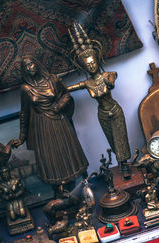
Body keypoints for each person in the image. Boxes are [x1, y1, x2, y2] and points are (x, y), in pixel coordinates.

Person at [12, 55, 88, 193]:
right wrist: (21, 137)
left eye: (31, 64)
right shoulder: (25, 89)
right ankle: (59, 193)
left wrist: (58, 106)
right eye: (26, 67)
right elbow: (24, 113)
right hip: (42, 127)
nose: (30, 68)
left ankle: (79, 188)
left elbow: (66, 95)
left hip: (59, 122)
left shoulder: (53, 79)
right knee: (51, 160)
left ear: (37, 64)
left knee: (68, 154)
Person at [67, 23, 131, 178]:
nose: (91, 65)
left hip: (115, 112)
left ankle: (125, 167)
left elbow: (112, 78)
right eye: (88, 64)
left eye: (93, 62)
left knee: (120, 139)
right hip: (102, 115)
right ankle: (120, 163)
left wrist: (110, 82)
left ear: (97, 60)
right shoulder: (87, 83)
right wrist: (58, 87)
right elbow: (71, 88)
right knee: (113, 143)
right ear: (84, 67)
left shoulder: (107, 75)